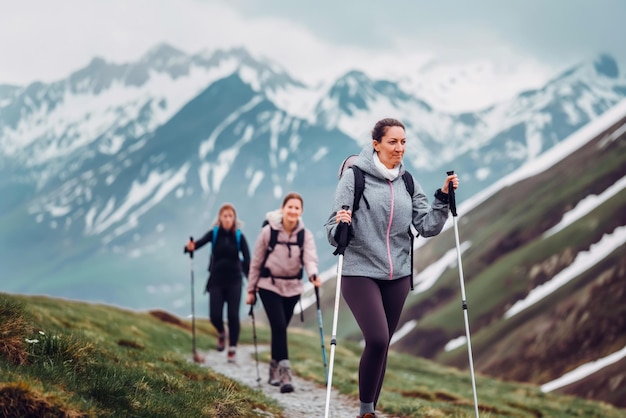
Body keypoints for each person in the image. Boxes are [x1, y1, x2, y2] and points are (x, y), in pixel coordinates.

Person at [325, 118, 459, 418]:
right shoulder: (354, 177)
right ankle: (365, 410)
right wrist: (341, 227)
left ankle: (370, 409)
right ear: (376, 144)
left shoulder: (408, 181)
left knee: (383, 345)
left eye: (403, 142)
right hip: (359, 272)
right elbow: (333, 225)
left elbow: (426, 226)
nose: (400, 148)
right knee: (378, 338)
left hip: (397, 274)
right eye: (392, 142)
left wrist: (442, 198)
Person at [245, 192, 321, 393]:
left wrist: (313, 275)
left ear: (301, 212)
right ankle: (285, 373)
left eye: (297, 208)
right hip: (268, 285)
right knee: (278, 326)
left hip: (293, 288)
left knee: (280, 329)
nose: (293, 211)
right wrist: (251, 290)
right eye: (290, 207)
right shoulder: (268, 232)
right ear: (283, 209)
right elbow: (256, 262)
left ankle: (273, 367)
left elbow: (310, 259)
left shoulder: (305, 235)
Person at [185, 203, 251, 363]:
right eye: (225, 216)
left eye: (230, 216)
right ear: (220, 218)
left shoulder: (239, 236)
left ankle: (232, 349)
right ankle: (222, 332)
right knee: (215, 316)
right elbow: (197, 245)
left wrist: (251, 283)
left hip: (235, 280)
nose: (228, 219)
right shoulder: (213, 234)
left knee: (233, 315)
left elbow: (247, 260)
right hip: (216, 280)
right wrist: (189, 248)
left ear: (234, 218)